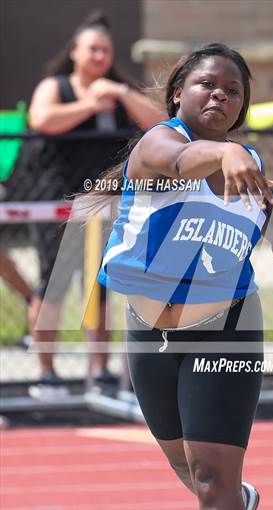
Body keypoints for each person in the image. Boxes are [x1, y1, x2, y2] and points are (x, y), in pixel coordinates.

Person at [96, 43, 273, 510]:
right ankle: (237, 498)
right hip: (148, 323)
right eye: (208, 84)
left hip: (227, 320)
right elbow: (182, 161)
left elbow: (267, 200)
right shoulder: (157, 145)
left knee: (213, 478)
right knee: (187, 464)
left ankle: (228, 508)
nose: (220, 95)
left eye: (233, 91)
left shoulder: (250, 161)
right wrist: (224, 153)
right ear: (177, 93)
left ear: (242, 107)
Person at [26, 11, 162, 395]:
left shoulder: (117, 90)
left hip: (104, 205)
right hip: (57, 202)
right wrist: (88, 105)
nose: (100, 56)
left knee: (101, 287)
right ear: (75, 52)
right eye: (92, 49)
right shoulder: (57, 86)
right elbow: (42, 119)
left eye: (106, 50)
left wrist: (119, 94)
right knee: (53, 284)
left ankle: (100, 369)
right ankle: (46, 371)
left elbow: (159, 125)